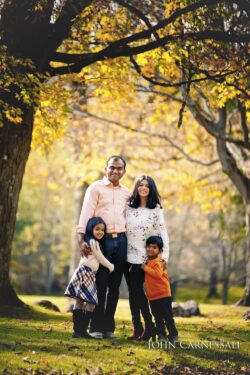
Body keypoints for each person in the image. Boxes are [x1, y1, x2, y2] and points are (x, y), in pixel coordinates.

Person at [77, 156, 130, 339]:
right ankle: (95, 326)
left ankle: (108, 327)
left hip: (122, 241)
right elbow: (86, 213)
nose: (115, 171)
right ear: (105, 168)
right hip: (103, 242)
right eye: (112, 168)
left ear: (124, 171)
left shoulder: (126, 192)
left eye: (119, 168)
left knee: (115, 286)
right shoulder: (95, 188)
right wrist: (81, 238)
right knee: (101, 284)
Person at [124, 176, 169, 341]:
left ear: (151, 189)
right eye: (140, 185)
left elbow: (163, 233)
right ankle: (138, 327)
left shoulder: (156, 209)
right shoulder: (128, 207)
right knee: (133, 293)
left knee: (141, 293)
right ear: (136, 188)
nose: (143, 188)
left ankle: (151, 326)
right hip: (127, 256)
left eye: (147, 186)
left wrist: (164, 256)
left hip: (144, 259)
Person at [65, 217, 114, 338]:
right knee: (88, 302)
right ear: (91, 229)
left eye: (102, 230)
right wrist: (111, 266)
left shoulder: (91, 241)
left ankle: (80, 331)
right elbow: (100, 258)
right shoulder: (93, 242)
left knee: (83, 301)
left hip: (88, 274)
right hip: (85, 273)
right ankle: (79, 330)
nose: (100, 232)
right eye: (97, 229)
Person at [142, 236, 179, 344]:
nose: (150, 249)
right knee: (157, 317)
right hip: (153, 296)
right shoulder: (149, 261)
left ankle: (173, 336)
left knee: (168, 316)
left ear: (160, 250)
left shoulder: (158, 262)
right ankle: (161, 336)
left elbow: (157, 275)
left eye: (154, 247)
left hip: (163, 294)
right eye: (148, 247)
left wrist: (145, 268)